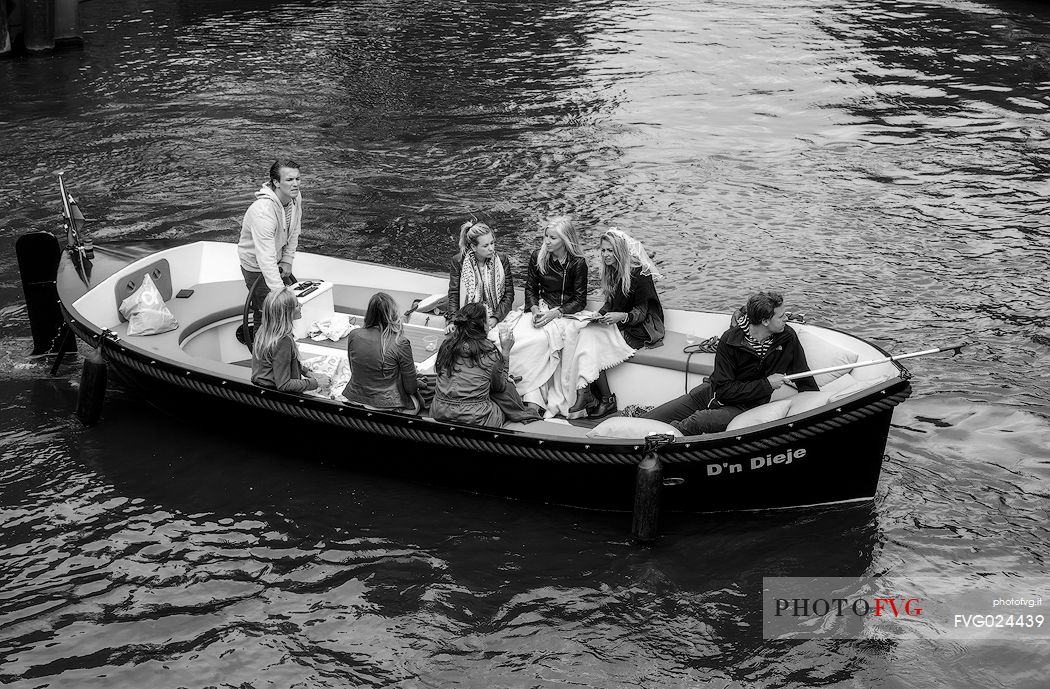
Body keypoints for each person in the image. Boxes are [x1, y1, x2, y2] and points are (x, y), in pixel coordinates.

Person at [644, 290, 818, 435]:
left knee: (697, 421)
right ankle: (629, 433)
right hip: (713, 393)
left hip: (747, 406)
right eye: (781, 317)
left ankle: (654, 442)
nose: (786, 320)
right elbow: (724, 390)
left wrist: (816, 411)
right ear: (765, 321)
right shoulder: (730, 340)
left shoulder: (787, 337)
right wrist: (766, 384)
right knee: (649, 420)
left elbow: (803, 375)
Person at [568, 229, 665, 418]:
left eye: (610, 251)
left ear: (619, 251)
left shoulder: (639, 273)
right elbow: (611, 303)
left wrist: (621, 317)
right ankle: (590, 395)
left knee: (592, 342)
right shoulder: (612, 271)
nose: (605, 255)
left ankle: (600, 398)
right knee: (585, 331)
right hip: (621, 322)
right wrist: (599, 314)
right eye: (603, 250)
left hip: (641, 328)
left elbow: (642, 312)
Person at [505, 216, 593, 417]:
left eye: (553, 238)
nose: (547, 241)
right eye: (546, 236)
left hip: (564, 313)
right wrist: (535, 309)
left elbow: (580, 300)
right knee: (517, 338)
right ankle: (523, 393)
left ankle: (532, 399)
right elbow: (530, 289)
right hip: (541, 309)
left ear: (565, 239)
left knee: (538, 341)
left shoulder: (578, 264)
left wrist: (556, 313)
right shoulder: (538, 256)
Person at [238, 159, 304, 329]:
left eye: (297, 179)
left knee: (283, 312)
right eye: (289, 180)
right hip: (256, 265)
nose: (295, 184)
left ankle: (282, 347)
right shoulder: (263, 212)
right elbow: (265, 257)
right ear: (276, 182)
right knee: (267, 311)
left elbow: (295, 228)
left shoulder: (295, 198)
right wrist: (280, 291)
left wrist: (288, 259)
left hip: (277, 258)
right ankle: (261, 352)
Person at [430, 303, 515, 427]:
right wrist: (506, 352)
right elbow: (499, 387)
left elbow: (438, 371)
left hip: (439, 412)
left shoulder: (446, 345)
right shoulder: (490, 352)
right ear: (482, 325)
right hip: (476, 418)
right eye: (487, 319)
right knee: (507, 397)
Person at [341, 292, 419, 412]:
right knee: (418, 401)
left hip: (356, 398)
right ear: (393, 313)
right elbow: (411, 388)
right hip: (388, 406)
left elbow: (355, 371)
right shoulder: (400, 342)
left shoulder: (354, 335)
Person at [251, 287, 331, 393]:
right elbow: (284, 385)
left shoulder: (265, 329)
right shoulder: (282, 340)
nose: (301, 306)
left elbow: (284, 362)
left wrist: (308, 373)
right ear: (287, 312)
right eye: (297, 305)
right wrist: (316, 383)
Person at [447, 220, 514, 331]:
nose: (491, 248)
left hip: (496, 315)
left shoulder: (502, 260)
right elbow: (454, 294)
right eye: (486, 245)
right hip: (468, 316)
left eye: (492, 243)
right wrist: (452, 321)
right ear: (474, 247)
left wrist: (495, 318)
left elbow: (508, 294)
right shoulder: (458, 261)